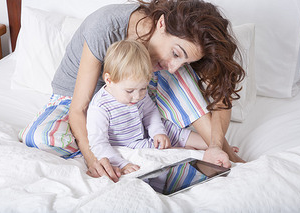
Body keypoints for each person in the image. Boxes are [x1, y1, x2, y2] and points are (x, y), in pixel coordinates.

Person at [19, 0, 245, 183]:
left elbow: (221, 95)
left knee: (181, 77)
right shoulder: (106, 26)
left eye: (183, 61)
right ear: (161, 24)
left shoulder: (166, 66)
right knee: (41, 137)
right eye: (176, 54)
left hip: (134, 99)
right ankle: (114, 138)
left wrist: (215, 144)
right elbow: (79, 108)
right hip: (78, 102)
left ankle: (219, 151)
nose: (174, 66)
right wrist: (93, 157)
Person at [87, 39, 209, 175]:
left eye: (143, 88)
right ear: (109, 80)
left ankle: (213, 145)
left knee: (173, 130)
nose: (137, 96)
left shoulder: (138, 92)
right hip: (129, 143)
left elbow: (150, 112)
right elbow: (99, 144)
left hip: (146, 131)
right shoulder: (100, 107)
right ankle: (189, 151)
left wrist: (158, 132)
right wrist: (122, 164)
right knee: (158, 149)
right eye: (129, 91)